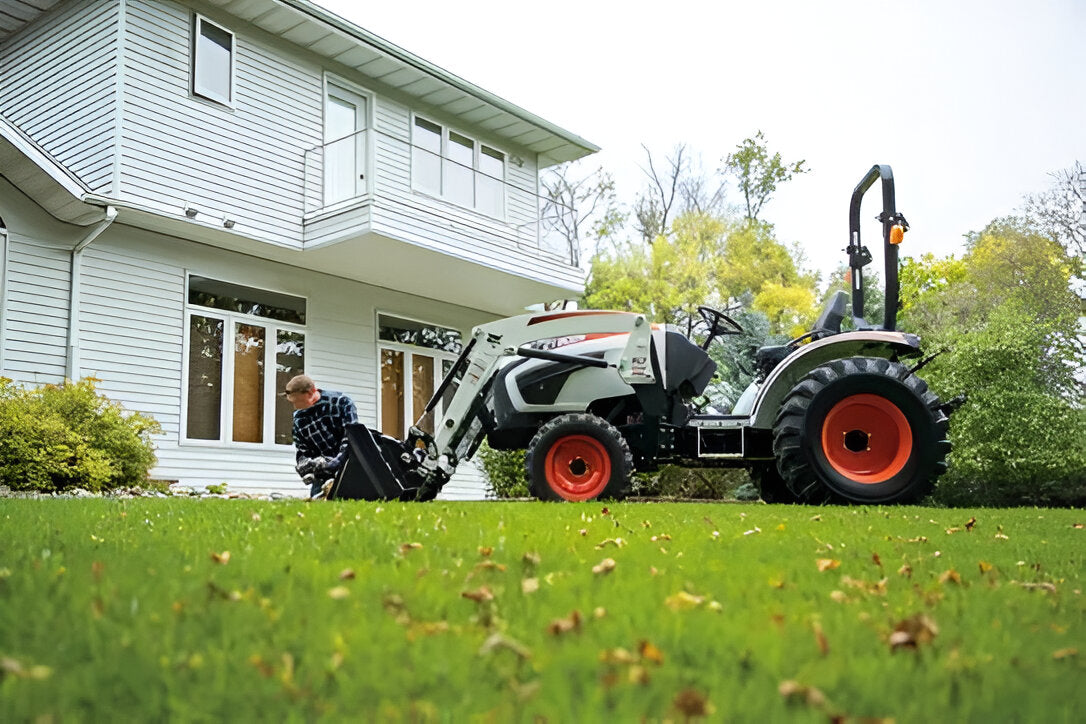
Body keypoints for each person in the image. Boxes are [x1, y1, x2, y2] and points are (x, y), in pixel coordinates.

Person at [283, 374, 358, 500]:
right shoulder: (299, 419)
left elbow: (351, 439)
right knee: (317, 508)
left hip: (349, 470)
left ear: (311, 392)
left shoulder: (341, 403)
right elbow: (302, 451)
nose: (295, 407)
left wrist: (334, 463)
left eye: (298, 401)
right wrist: (305, 466)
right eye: (293, 403)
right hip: (321, 475)